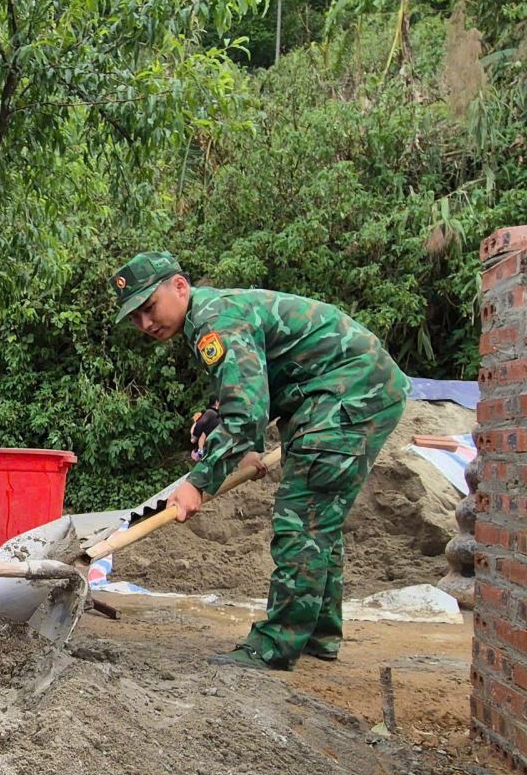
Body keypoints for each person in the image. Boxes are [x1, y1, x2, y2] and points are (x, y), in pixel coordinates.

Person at [112, 251, 408, 670]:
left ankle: (275, 646)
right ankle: (318, 634)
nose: (145, 324)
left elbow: (248, 416)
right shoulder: (215, 312)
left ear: (179, 286)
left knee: (302, 518)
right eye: (135, 318)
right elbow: (253, 391)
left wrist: (198, 482)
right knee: (319, 517)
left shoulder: (214, 322)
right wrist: (221, 419)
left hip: (348, 395)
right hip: (351, 390)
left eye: (148, 308)